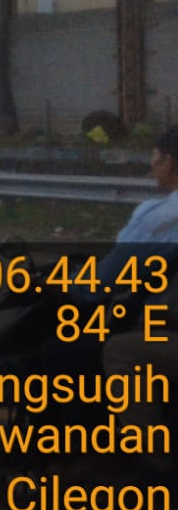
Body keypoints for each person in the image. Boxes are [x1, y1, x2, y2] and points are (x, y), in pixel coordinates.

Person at [97, 125, 178, 473]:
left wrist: (73, 287)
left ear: (169, 161)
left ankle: (152, 465)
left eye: (155, 158)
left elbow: (108, 277)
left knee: (119, 350)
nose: (152, 165)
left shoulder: (160, 215)